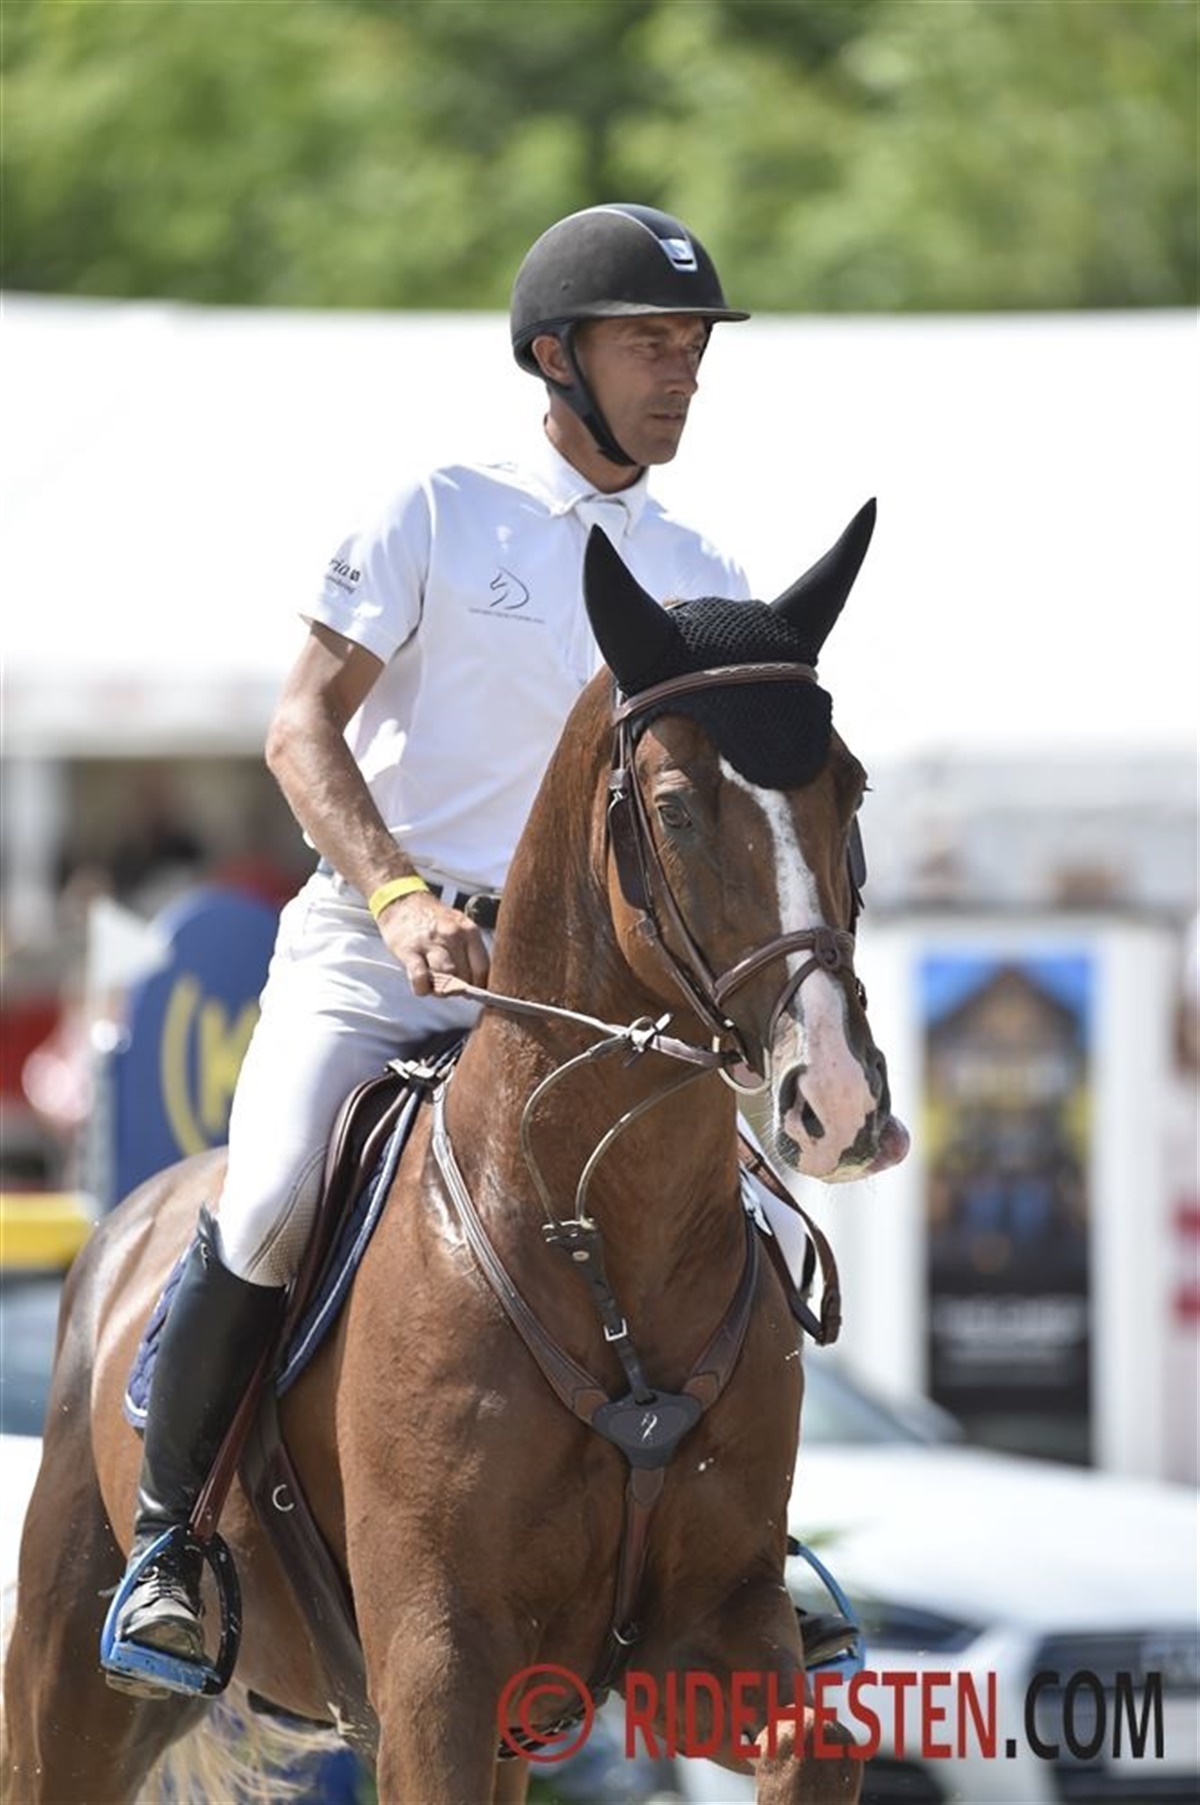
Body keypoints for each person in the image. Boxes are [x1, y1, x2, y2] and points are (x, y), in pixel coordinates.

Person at [106, 202, 752, 1685]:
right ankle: (170, 1542)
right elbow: (299, 726)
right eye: (651, 341)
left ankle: (745, 1550)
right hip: (377, 942)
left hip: (576, 985)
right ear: (556, 355)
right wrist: (400, 896)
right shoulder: (439, 510)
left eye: (694, 345)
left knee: (740, 1214)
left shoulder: (698, 561)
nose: (683, 370)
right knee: (272, 1194)